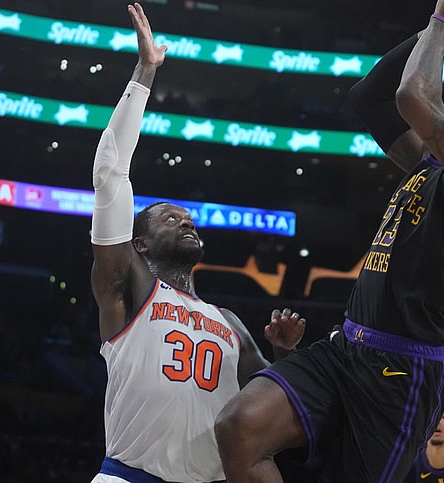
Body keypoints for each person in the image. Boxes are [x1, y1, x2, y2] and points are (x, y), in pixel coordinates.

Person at [214, 0, 444, 480]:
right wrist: (435, 31)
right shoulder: (431, 162)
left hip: (401, 372)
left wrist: (443, 20)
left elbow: (414, 98)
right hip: (346, 345)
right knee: (239, 426)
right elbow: (368, 96)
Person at [88, 4, 305, 482]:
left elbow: (273, 411)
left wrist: (287, 356)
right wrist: (145, 72)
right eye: (171, 218)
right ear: (139, 243)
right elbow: (110, 171)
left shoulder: (228, 323)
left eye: (189, 219)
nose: (186, 222)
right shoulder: (129, 286)